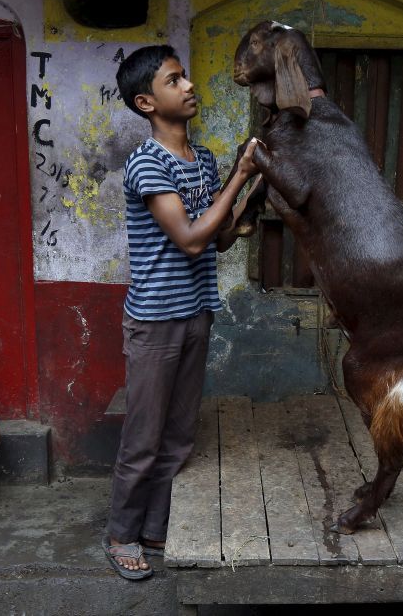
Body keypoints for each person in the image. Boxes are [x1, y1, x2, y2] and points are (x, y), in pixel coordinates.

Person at [105, 44, 260, 580]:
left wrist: (244, 208)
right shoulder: (147, 162)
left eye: (186, 76)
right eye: (175, 81)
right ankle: (121, 534)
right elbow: (192, 240)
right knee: (143, 439)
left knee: (178, 436)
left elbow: (215, 240)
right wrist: (239, 178)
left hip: (196, 312)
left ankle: (154, 526)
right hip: (154, 321)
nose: (190, 85)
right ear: (147, 102)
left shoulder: (206, 160)